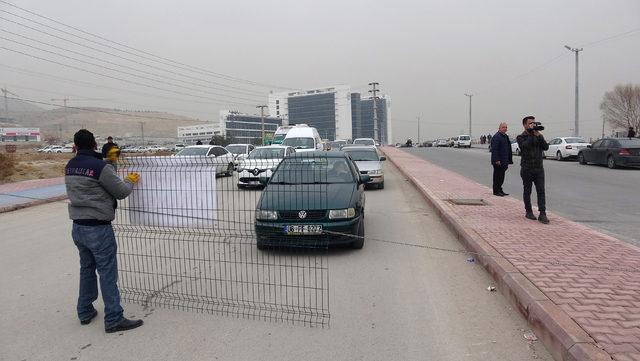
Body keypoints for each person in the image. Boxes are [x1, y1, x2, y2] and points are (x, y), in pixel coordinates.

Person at [65, 129, 144, 333]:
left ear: (75, 147)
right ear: (94, 145)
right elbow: (121, 192)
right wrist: (130, 181)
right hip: (98, 229)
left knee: (87, 269)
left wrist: (111, 164)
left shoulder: (70, 165)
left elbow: (95, 181)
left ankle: (85, 311)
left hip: (78, 227)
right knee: (107, 272)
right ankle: (114, 318)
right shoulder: (99, 167)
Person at [516, 116, 549, 224]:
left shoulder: (538, 135)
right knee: (527, 191)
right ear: (525, 125)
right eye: (530, 123)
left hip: (539, 168)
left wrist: (538, 135)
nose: (533, 125)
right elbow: (524, 147)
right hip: (527, 168)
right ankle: (528, 211)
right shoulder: (521, 137)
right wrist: (531, 134)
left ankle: (542, 213)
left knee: (541, 191)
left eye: (534, 123)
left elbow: (545, 147)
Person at [490, 122, 513, 196]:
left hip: (504, 161)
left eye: (506, 127)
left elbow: (508, 148)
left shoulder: (505, 136)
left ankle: (500, 189)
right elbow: (494, 149)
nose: (505, 128)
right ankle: (496, 191)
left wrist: (509, 160)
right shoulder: (497, 137)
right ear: (499, 128)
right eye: (503, 127)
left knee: (501, 177)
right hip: (498, 161)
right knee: (497, 177)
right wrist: (496, 160)